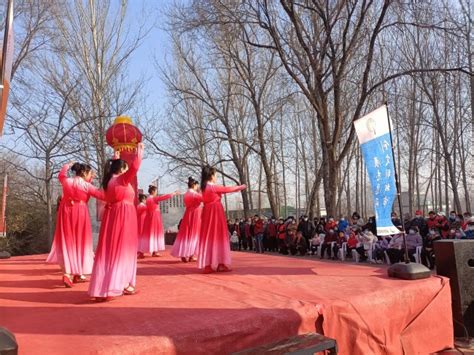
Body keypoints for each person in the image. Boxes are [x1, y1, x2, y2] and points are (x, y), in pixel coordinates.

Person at [88, 144, 143, 301]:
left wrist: (116, 158)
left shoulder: (109, 181)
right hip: (124, 217)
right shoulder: (122, 180)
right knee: (122, 250)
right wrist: (139, 151)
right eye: (124, 168)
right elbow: (135, 167)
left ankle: (104, 286)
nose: (127, 171)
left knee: (110, 250)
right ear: (121, 169)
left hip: (113, 216)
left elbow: (118, 169)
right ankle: (118, 285)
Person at [47, 162, 104, 287]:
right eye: (90, 173)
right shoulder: (86, 185)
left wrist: (68, 165)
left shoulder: (67, 181)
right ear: (84, 173)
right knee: (80, 241)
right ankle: (77, 272)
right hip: (80, 212)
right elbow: (101, 195)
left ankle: (68, 274)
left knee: (67, 241)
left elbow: (61, 175)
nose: (90, 175)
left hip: (66, 211)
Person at [198, 166, 246, 273]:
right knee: (219, 236)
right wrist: (241, 187)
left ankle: (208, 265)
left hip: (207, 213)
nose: (216, 177)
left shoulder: (204, 188)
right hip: (216, 213)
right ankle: (221, 263)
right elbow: (228, 189)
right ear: (211, 175)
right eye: (215, 175)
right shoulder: (212, 187)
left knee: (208, 237)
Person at [140, 185, 179, 257]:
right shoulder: (153, 198)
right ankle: (154, 251)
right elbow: (163, 197)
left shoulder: (148, 199)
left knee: (149, 234)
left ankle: (143, 251)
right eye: (156, 191)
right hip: (154, 218)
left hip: (150, 218)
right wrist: (173, 193)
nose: (156, 192)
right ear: (153, 191)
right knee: (154, 233)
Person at [171, 177, 202, 262]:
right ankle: (191, 255)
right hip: (195, 215)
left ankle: (185, 254)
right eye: (197, 185)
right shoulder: (194, 194)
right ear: (194, 185)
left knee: (186, 234)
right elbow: (203, 198)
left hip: (188, 214)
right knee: (193, 234)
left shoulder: (186, 194)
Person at [136, 194, 148, 259]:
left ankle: (140, 251)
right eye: (145, 199)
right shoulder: (141, 206)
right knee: (140, 237)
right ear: (143, 199)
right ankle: (140, 251)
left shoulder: (140, 206)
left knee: (140, 237)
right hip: (141, 222)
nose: (146, 201)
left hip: (141, 222)